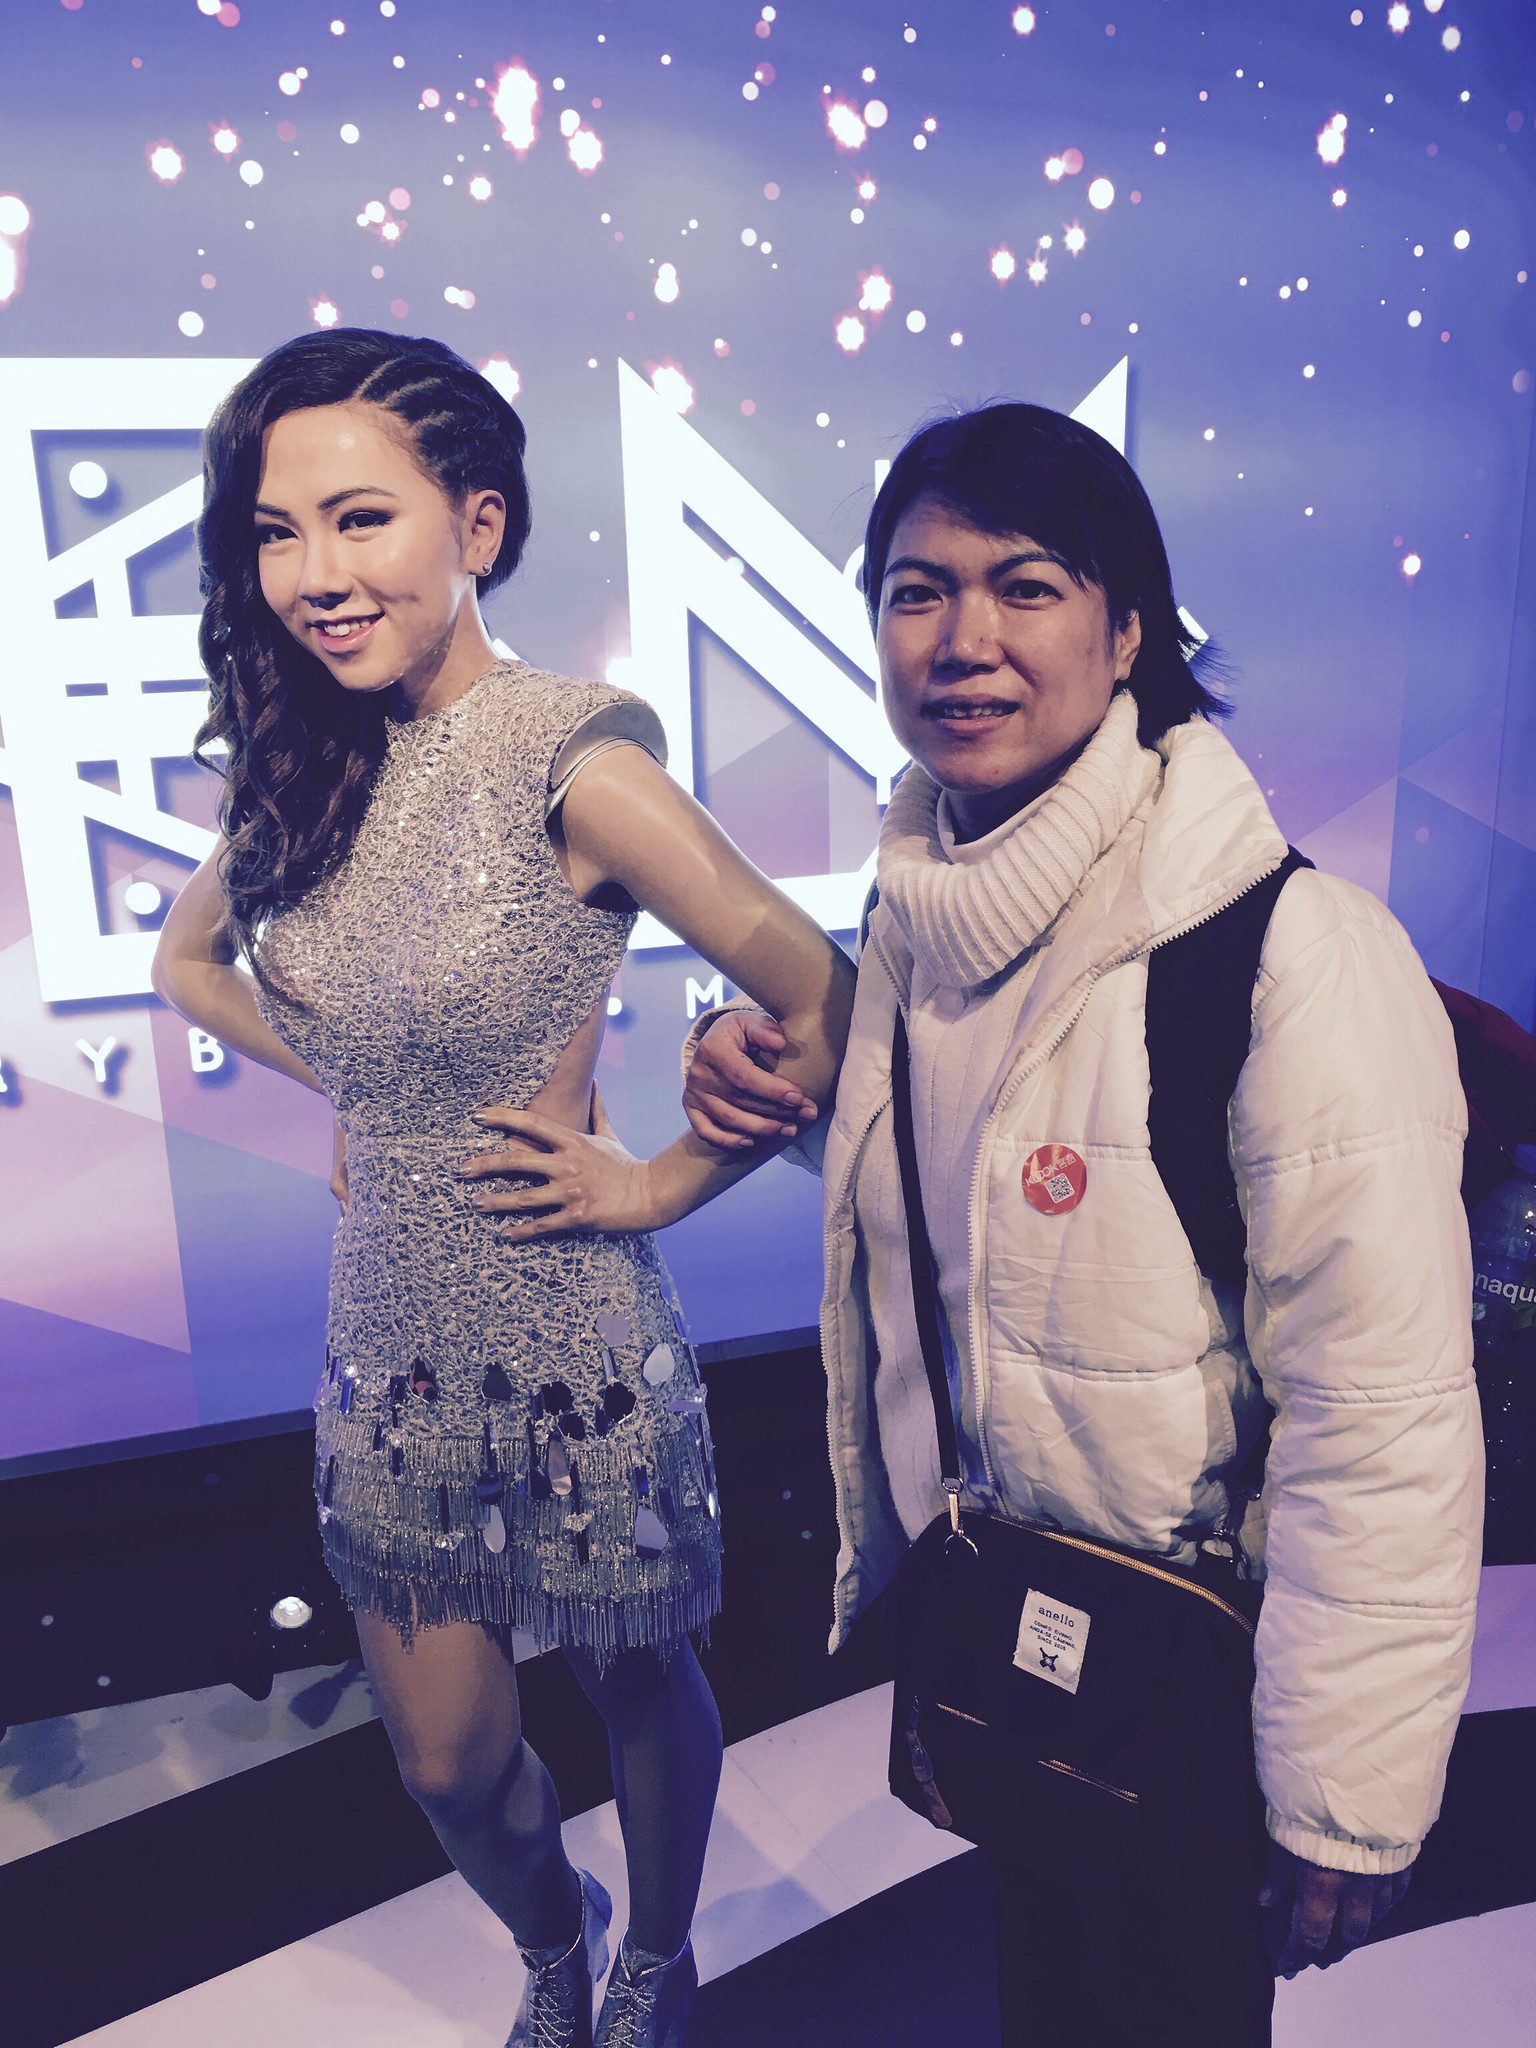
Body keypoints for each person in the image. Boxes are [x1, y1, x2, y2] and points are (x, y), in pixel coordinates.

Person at [678, 403, 1484, 2045]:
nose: (962, 639)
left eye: (1026, 585)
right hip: (1018, 1629)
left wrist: (1346, 1790)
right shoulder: (924, 916)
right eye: (917, 591)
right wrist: (789, 1102)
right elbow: (1015, 1198)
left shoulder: (1293, 952)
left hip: (1198, 1668)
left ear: (1127, 635)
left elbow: (1383, 1407)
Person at [152, 327, 853, 2048]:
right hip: (387, 1342)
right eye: (277, 532)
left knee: (637, 1676)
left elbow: (825, 998)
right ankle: (557, 1936)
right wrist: (368, 1090)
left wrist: (664, 1182)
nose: (315, 574)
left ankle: (655, 1955)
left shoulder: (569, 757)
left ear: (476, 526)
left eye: (360, 518)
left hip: (570, 1325)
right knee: (451, 1765)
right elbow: (188, 966)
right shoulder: (305, 764)